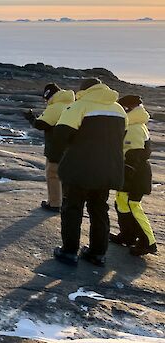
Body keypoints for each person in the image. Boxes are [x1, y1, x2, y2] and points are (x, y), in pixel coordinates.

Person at [52, 78, 127, 267]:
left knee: (72, 208)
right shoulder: (119, 110)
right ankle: (97, 253)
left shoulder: (78, 107)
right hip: (108, 169)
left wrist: (57, 157)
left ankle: (69, 252)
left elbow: (60, 136)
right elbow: (121, 138)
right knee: (99, 209)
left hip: (79, 168)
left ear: (84, 90)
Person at [110, 95, 158, 256]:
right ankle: (128, 235)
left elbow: (135, 155)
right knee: (122, 204)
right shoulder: (133, 124)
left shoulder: (134, 127)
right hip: (129, 174)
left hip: (136, 176)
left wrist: (126, 176)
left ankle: (148, 242)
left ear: (127, 109)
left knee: (133, 206)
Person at [24, 83, 75, 212]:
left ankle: (54, 203)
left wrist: (31, 118)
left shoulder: (56, 107)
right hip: (72, 148)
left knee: (53, 174)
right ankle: (65, 201)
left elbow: (41, 124)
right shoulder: (73, 104)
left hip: (56, 147)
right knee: (67, 176)